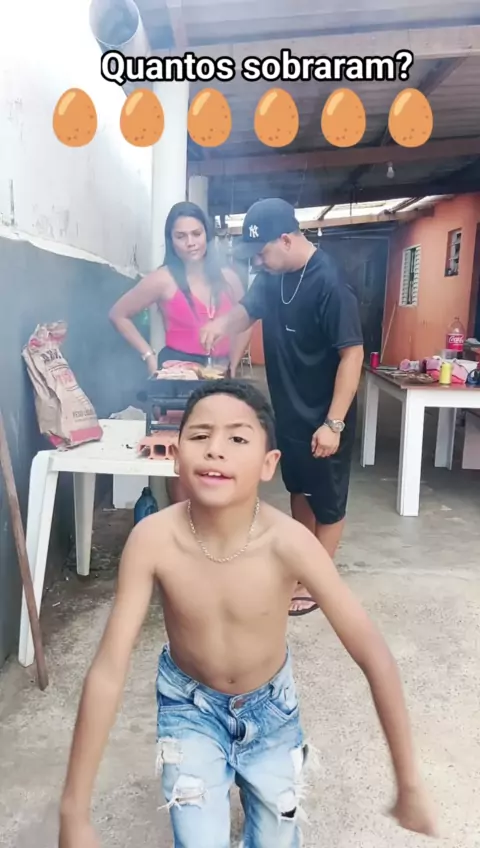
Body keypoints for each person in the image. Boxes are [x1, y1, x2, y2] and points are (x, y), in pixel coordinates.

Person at [59, 380, 436, 848]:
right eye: (200, 435)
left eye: (237, 438)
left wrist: (409, 781)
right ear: (175, 454)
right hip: (188, 708)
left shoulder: (291, 543)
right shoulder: (152, 540)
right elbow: (109, 668)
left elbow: (373, 654)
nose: (215, 449)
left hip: (272, 711)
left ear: (268, 464)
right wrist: (74, 811)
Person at [200, 198, 364, 615]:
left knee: (328, 501)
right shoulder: (272, 277)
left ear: (287, 240)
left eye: (262, 253)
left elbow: (352, 355)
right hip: (289, 409)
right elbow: (247, 311)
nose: (257, 262)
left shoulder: (330, 283)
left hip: (325, 414)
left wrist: (334, 423)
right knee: (299, 490)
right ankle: (298, 566)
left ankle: (319, 581)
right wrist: (220, 325)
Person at [109, 200, 251, 502]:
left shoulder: (228, 277)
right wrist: (149, 356)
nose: (190, 242)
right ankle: (182, 521)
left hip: (219, 375)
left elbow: (247, 318)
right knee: (179, 454)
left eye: (196, 234)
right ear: (171, 240)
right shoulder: (163, 279)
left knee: (218, 450)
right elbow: (119, 314)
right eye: (181, 236)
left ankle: (211, 519)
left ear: (207, 235)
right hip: (177, 375)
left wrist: (234, 362)